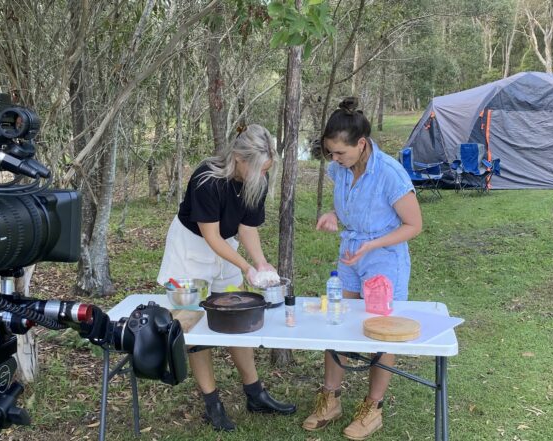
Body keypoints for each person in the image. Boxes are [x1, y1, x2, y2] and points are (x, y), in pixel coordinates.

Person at [157, 124, 296, 431]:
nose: (261, 177)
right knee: (192, 324)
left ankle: (254, 392)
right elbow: (211, 236)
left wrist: (260, 263)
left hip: (227, 249)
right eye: (257, 169)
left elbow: (246, 227)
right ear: (238, 158)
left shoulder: (257, 177)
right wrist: (246, 268)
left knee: (237, 314)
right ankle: (212, 404)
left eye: (266, 170)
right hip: (190, 252)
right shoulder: (207, 179)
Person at [301, 98, 422, 440]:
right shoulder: (339, 167)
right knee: (337, 319)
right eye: (330, 153)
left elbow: (413, 225)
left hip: (384, 256)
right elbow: (348, 206)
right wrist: (333, 215)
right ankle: (331, 399)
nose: (334, 160)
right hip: (351, 253)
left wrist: (372, 245)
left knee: (380, 329)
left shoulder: (389, 173)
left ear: (362, 144)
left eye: (340, 153)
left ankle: (373, 408)